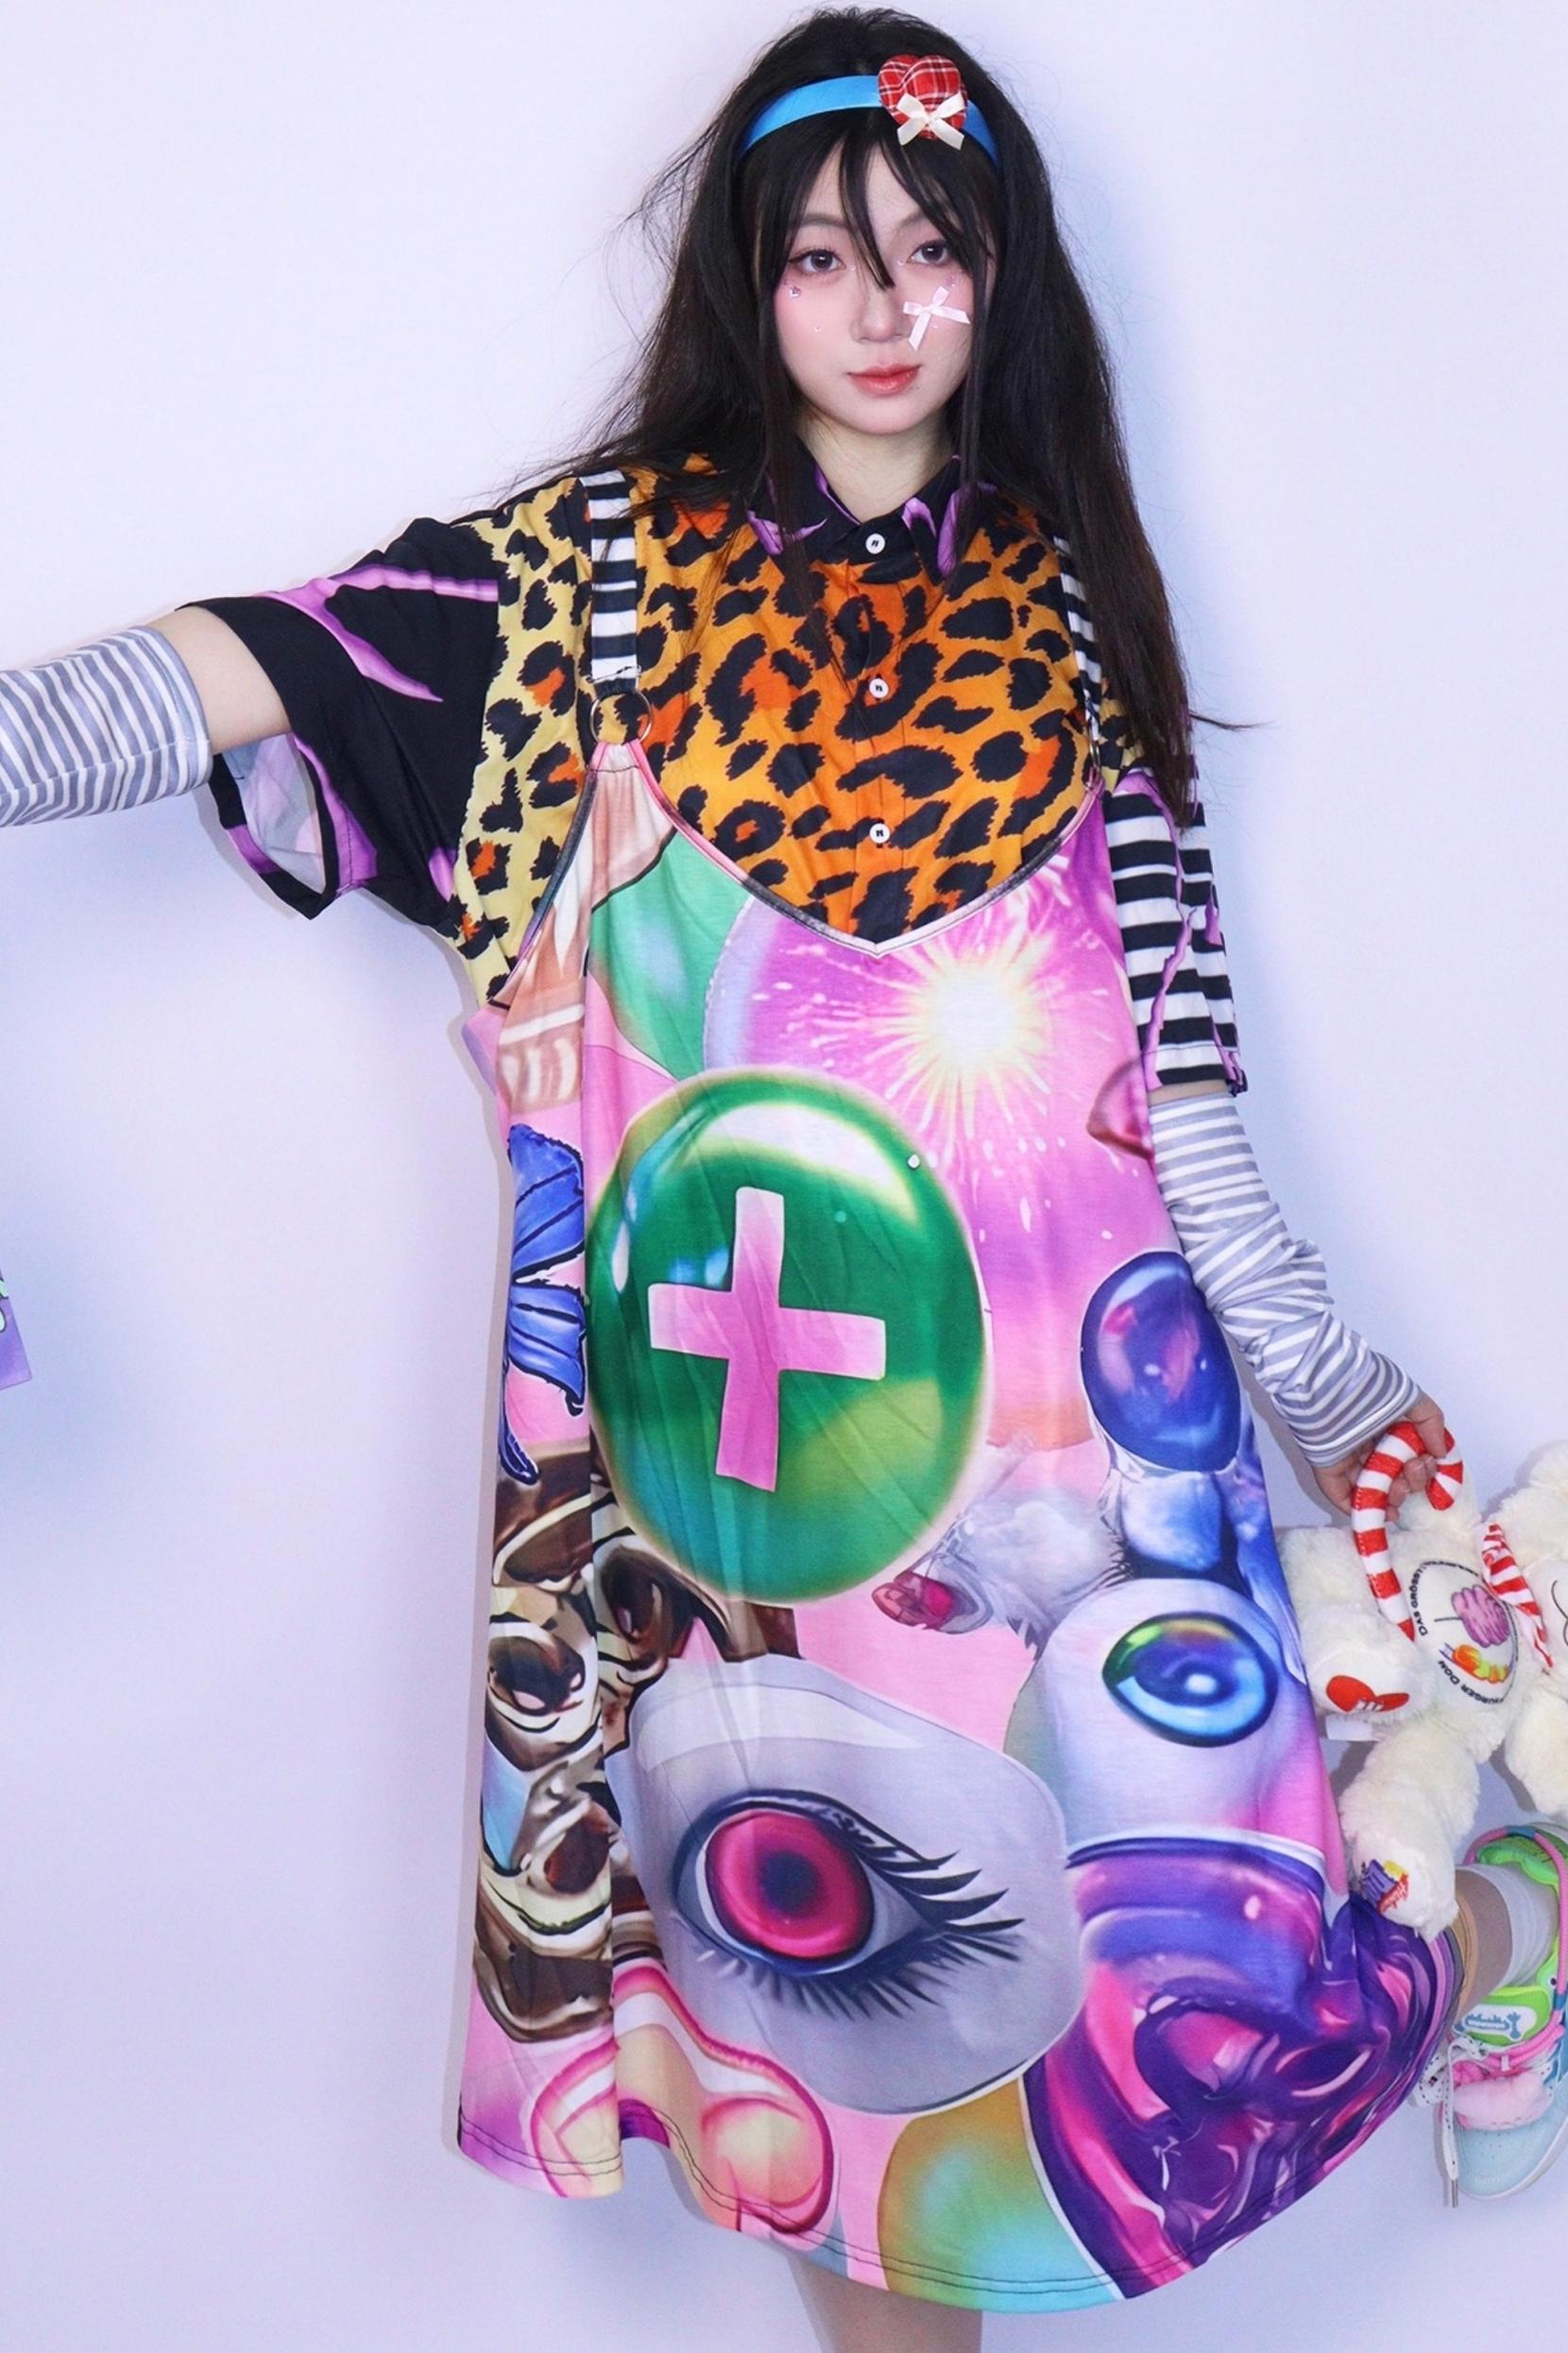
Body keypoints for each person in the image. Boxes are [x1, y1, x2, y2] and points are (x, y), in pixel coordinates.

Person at [4, 9, 1566, 2344]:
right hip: (724, 1517)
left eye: (932, 249)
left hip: (1077, 1498)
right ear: (750, 279)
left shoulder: (1073, 627)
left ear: (1001, 278)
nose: (879, 306)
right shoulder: (581, 591)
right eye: (822, 253)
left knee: (1209, 2004)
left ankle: (1504, 1925)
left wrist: (1360, 1417)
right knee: (851, 2114)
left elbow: (1186, 1112)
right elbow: (228, 674)